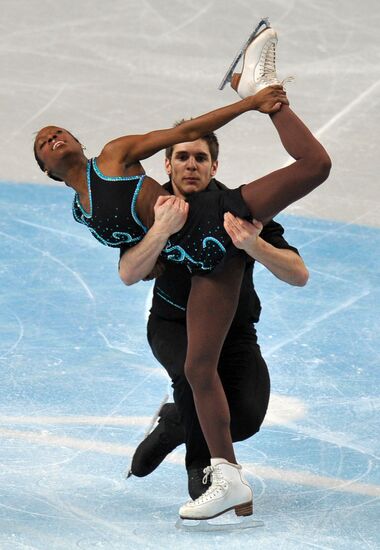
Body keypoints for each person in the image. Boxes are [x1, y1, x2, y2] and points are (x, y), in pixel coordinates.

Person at [33, 26, 331, 520]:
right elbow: (132, 269)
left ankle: (258, 87)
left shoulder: (113, 156)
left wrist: (250, 105)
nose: (51, 136)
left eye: (58, 131)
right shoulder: (83, 212)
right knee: (195, 369)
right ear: (46, 170)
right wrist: (159, 234)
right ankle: (223, 475)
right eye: (42, 142)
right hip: (195, 269)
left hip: (219, 221)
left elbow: (182, 129)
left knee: (315, 165)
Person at [125, 123, 309, 506]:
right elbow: (129, 272)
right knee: (195, 381)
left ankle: (174, 423)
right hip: (172, 325)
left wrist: (254, 245)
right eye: (182, 157)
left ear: (214, 166)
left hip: (235, 329)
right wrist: (160, 232)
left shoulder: (237, 207)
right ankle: (203, 467)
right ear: (168, 165)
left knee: (245, 417)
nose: (191, 165)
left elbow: (298, 274)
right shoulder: (150, 207)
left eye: (200, 158)